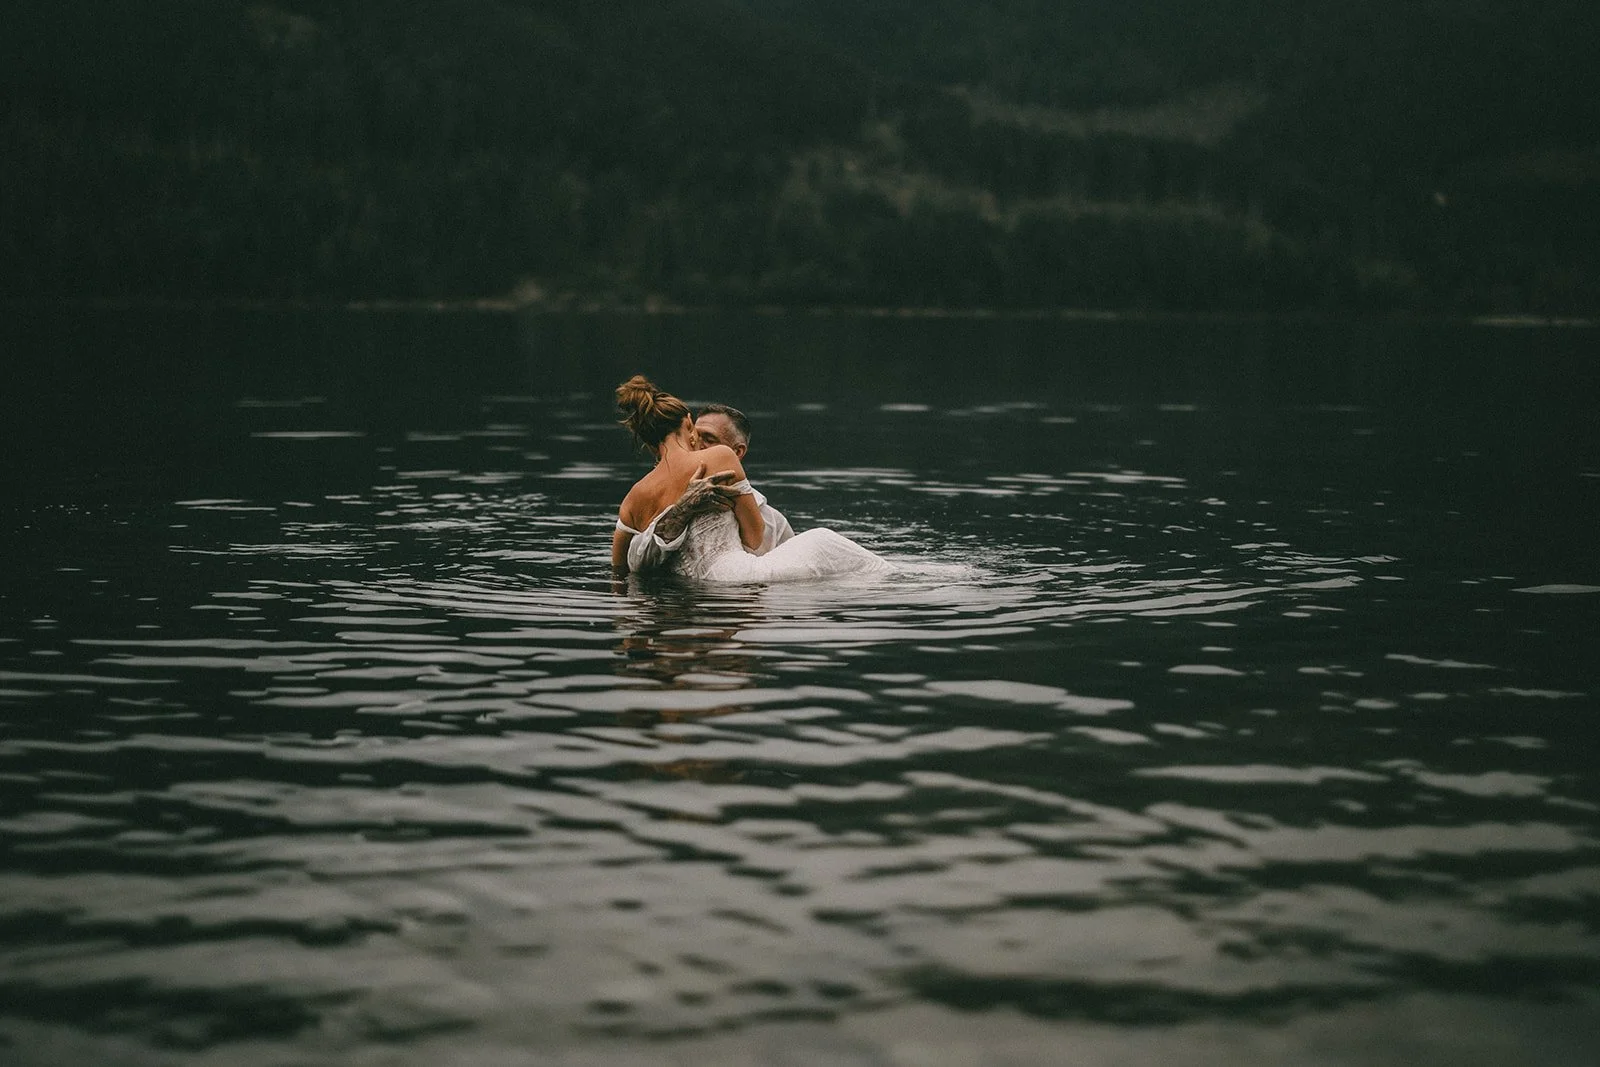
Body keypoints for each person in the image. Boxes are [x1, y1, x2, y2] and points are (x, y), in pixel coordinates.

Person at [612, 376, 889, 582]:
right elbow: (755, 539)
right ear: (688, 423)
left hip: (698, 591)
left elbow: (619, 569)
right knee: (834, 546)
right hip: (741, 578)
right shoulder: (719, 456)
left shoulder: (634, 498)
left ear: (646, 441)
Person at [626, 401, 794, 574]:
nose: (696, 444)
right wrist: (681, 511)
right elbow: (631, 564)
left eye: (708, 439)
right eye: (694, 436)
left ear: (737, 453)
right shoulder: (653, 496)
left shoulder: (774, 523)